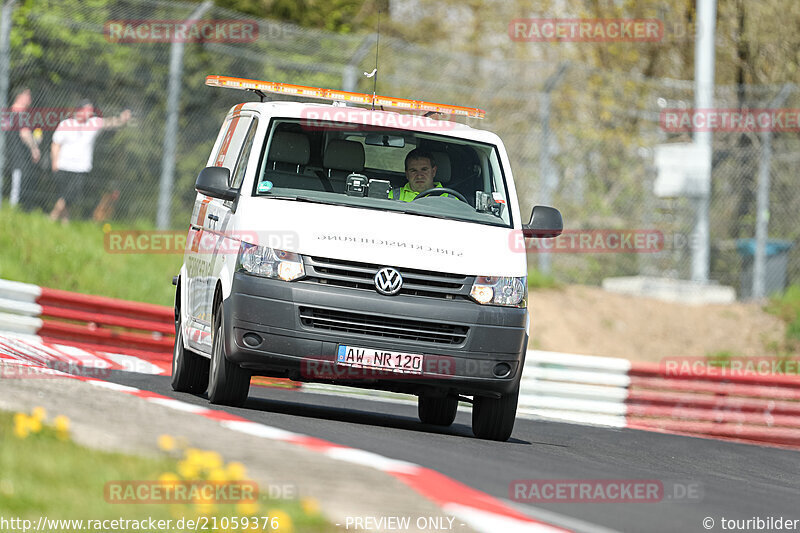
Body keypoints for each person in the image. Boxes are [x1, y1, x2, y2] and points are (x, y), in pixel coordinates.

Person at [49, 99, 131, 223]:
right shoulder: (66, 124)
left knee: (69, 196)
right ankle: (64, 222)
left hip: (81, 167)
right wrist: (55, 161)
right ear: (79, 110)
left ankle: (53, 217)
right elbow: (56, 144)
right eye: (88, 110)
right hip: (64, 165)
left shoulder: (93, 123)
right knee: (65, 196)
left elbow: (109, 123)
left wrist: (122, 119)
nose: (90, 113)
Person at [5, 88, 41, 207]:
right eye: (28, 96)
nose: (30, 99)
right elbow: (24, 134)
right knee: (17, 189)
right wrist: (34, 148)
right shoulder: (20, 115)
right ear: (20, 96)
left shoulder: (7, 114)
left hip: (7, 155)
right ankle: (13, 210)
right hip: (19, 157)